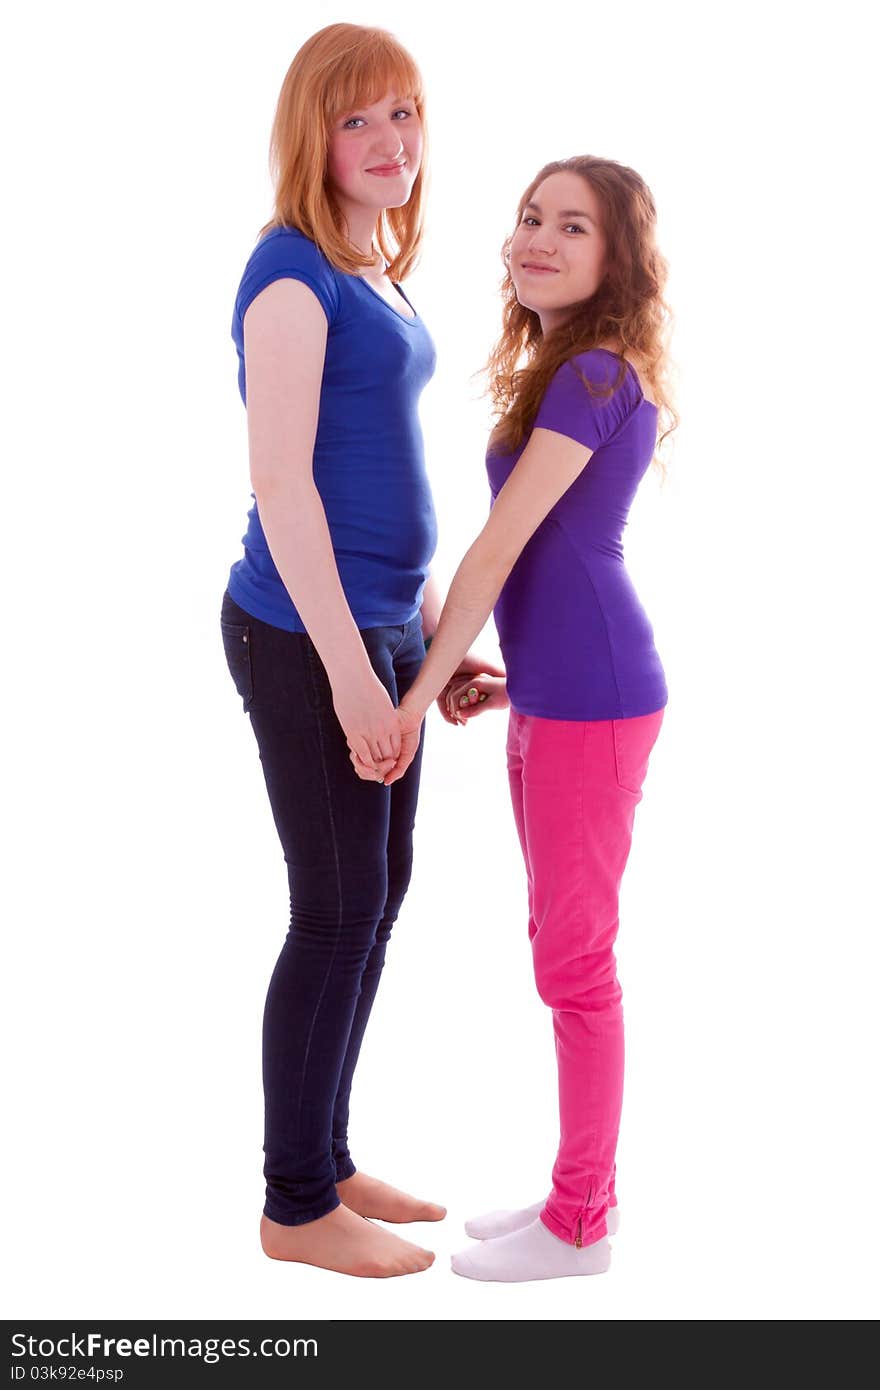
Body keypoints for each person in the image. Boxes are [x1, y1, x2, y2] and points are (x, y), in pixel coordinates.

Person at [352, 155, 675, 1281]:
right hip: (559, 690)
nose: (535, 238)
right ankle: (578, 1193)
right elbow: (534, 555)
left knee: (576, 966)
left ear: (614, 256)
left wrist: (414, 681)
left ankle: (580, 1221)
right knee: (560, 954)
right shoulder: (568, 368)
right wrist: (497, 678)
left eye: (570, 226)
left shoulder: (592, 372)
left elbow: (499, 549)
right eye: (529, 217)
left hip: (594, 696)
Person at [220, 23, 500, 1279]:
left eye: (404, 115)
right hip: (300, 634)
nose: (390, 143)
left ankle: (328, 1162)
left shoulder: (373, 268)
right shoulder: (291, 275)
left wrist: (431, 634)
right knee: (331, 912)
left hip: (382, 629)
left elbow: (380, 475)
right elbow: (284, 485)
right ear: (311, 140)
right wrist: (349, 675)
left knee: (374, 905)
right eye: (357, 122)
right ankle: (292, 1206)